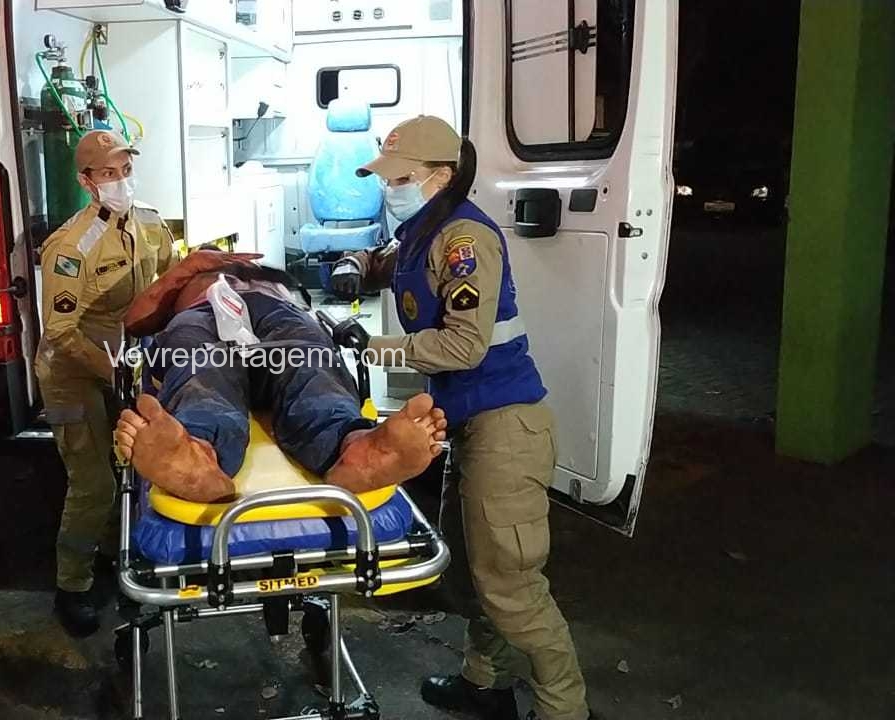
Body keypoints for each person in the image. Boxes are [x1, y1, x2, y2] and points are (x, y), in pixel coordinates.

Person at [330, 116, 596, 720]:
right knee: (475, 574)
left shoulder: (464, 241)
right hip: (470, 424)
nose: (390, 189)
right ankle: (485, 683)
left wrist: (372, 346)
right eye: (386, 178)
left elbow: (464, 345)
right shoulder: (425, 231)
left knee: (511, 586)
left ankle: (565, 708)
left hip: (506, 428)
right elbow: (390, 258)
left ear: (443, 177)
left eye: (401, 179)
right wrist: (354, 263)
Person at [112, 247, 447, 502]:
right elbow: (134, 323)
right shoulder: (190, 276)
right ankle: (196, 452)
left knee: (309, 357)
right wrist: (190, 268)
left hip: (277, 312)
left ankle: (355, 447)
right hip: (203, 312)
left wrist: (256, 279)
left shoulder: (269, 278)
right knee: (201, 362)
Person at [35, 129, 179, 638]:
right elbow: (60, 331)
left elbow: (171, 285)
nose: (121, 181)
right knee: (94, 482)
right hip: (72, 371)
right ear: (86, 181)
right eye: (108, 173)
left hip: (124, 361)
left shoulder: (151, 224)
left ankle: (114, 555)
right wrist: (113, 371)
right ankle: (71, 585)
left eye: (125, 170)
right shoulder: (70, 247)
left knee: (136, 466)